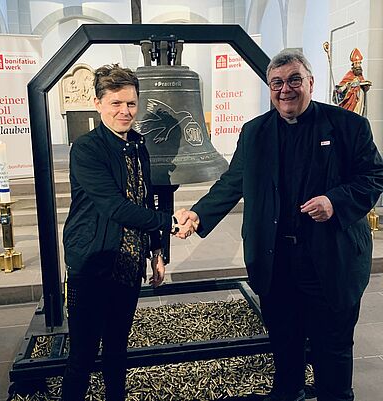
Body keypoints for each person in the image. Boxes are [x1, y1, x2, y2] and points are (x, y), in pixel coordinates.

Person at [174, 49, 383, 401]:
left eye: (294, 80)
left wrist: (335, 201)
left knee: (331, 349)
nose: (285, 89)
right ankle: (289, 392)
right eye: (277, 83)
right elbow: (233, 181)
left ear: (310, 83)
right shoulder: (255, 132)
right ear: (270, 88)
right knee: (285, 345)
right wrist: (198, 214)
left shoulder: (348, 126)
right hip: (276, 262)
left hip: (330, 261)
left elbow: (373, 176)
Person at [62, 63, 193, 401]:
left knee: (118, 349)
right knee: (83, 356)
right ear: (98, 103)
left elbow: (145, 196)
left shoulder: (137, 144)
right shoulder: (87, 149)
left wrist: (157, 252)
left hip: (128, 263)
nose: (125, 111)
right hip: (92, 262)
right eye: (116, 103)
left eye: (131, 103)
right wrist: (172, 224)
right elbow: (115, 207)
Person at [333, 48, 371, 116]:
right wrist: (348, 87)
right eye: (356, 63)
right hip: (351, 103)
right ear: (353, 65)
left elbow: (363, 89)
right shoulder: (349, 75)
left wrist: (365, 87)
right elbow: (341, 88)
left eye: (359, 63)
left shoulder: (360, 76)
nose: (358, 65)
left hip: (359, 103)